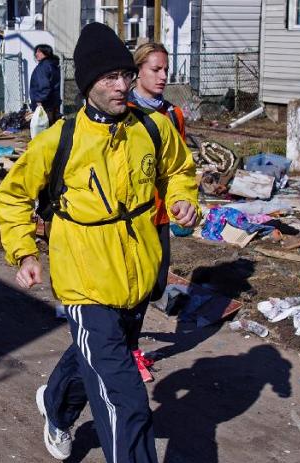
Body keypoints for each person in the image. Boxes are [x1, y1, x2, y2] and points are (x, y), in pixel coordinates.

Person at [0, 22, 201, 463]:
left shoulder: (152, 131)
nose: (120, 84)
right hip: (85, 284)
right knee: (125, 403)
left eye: (125, 74)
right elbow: (13, 197)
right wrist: (24, 252)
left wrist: (184, 203)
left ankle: (56, 406)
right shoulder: (58, 140)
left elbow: (181, 172)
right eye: (110, 76)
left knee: (91, 362)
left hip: (136, 279)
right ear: (86, 83)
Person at [127, 41, 190, 383]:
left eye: (166, 69)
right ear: (137, 71)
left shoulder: (173, 115)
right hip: (130, 218)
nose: (164, 76)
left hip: (161, 217)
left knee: (155, 286)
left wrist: (185, 202)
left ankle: (126, 342)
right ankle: (129, 349)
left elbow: (179, 169)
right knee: (132, 287)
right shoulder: (124, 112)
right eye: (156, 69)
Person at [29, 43, 60, 124]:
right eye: (36, 52)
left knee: (42, 128)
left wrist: (39, 100)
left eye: (39, 52)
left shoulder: (43, 66)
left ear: (46, 53)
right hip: (53, 102)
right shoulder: (53, 65)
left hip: (44, 104)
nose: (36, 54)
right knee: (53, 127)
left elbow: (45, 86)